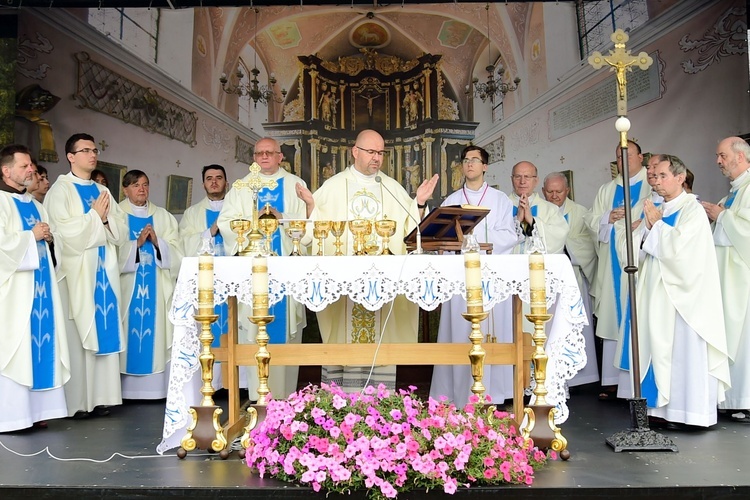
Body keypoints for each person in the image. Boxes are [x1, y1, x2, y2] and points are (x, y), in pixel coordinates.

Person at [295, 129, 438, 392]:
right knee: (341, 337)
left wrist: (418, 202)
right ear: (355, 152)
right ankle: (338, 402)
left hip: (380, 282)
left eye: (381, 153)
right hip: (345, 282)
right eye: (371, 152)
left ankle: (380, 404)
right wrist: (310, 207)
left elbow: (411, 231)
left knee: (381, 341)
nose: (377, 158)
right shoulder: (334, 185)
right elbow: (313, 232)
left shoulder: (391, 186)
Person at [624, 154, 729, 428]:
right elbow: (638, 245)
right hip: (656, 292)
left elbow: (683, 252)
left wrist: (655, 226)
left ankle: (688, 413)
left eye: (662, 176)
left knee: (682, 353)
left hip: (684, 298)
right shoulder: (659, 208)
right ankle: (659, 411)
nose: (656, 182)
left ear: (680, 178)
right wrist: (645, 229)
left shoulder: (692, 210)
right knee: (656, 349)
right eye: (654, 177)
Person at [44, 133, 128, 418]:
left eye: (94, 149)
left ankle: (103, 397)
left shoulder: (102, 191)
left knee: (103, 331)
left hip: (104, 272)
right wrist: (95, 218)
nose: (92, 155)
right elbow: (62, 232)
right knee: (79, 335)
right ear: (70, 156)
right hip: (77, 275)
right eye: (85, 150)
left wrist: (103, 219)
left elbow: (121, 229)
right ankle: (79, 402)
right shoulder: (61, 190)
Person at [218, 137, 308, 400]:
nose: (264, 157)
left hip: (284, 271)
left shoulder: (294, 184)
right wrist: (251, 220)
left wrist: (283, 219)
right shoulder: (242, 186)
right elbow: (226, 222)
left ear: (281, 157)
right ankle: (258, 397)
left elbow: (307, 223)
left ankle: (287, 398)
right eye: (259, 153)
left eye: (270, 153)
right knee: (253, 331)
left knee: (285, 329)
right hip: (253, 271)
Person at [430, 145, 517, 407]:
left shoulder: (501, 200)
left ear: (485, 166)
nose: (469, 164)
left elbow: (510, 236)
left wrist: (473, 239)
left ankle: (495, 394)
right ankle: (457, 393)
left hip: (489, 277)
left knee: (492, 334)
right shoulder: (451, 200)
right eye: (466, 160)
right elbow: (442, 237)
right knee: (459, 333)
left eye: (475, 160)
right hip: (460, 277)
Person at [0, 144, 70, 432]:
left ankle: (38, 411)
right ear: (6, 171)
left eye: (31, 165)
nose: (31, 169)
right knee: (15, 348)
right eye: (24, 166)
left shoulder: (36, 204)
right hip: (14, 294)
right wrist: (31, 236)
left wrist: (50, 240)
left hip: (42, 291)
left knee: (40, 345)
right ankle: (13, 416)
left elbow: (52, 245)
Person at [587, 140, 649, 401]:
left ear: (641, 157)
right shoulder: (607, 189)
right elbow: (591, 220)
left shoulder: (652, 182)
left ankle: (638, 382)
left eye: (628, 156)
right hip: (614, 263)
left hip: (640, 262)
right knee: (614, 316)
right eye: (619, 158)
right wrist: (607, 219)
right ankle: (614, 382)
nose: (623, 162)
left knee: (637, 315)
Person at [118, 169, 182, 399]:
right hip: (128, 288)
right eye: (135, 185)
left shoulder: (163, 216)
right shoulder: (116, 214)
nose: (141, 189)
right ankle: (124, 391)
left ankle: (154, 391)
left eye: (145, 184)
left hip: (156, 285)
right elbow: (111, 251)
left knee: (156, 334)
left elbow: (178, 251)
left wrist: (158, 243)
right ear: (125, 189)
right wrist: (136, 244)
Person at [702, 137, 750, 422]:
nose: (718, 161)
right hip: (727, 274)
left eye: (722, 155)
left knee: (743, 338)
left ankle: (743, 398)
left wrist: (722, 216)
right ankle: (732, 399)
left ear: (740, 157)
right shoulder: (733, 192)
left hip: (742, 276)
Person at [542, 172, 599, 387]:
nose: (555, 196)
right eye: (550, 191)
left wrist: (563, 243)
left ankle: (577, 376)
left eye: (559, 191)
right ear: (543, 191)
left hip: (572, 277)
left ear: (567, 191)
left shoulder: (580, 213)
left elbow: (588, 244)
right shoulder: (538, 210)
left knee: (572, 325)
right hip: (545, 278)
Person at [508, 161, 568, 254]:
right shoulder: (501, 206)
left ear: (536, 181)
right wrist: (517, 221)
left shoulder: (551, 209)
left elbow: (559, 238)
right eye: (518, 176)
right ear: (512, 179)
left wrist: (533, 222)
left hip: (539, 266)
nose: (522, 181)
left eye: (527, 177)